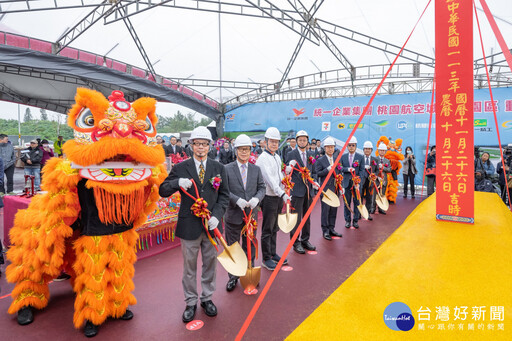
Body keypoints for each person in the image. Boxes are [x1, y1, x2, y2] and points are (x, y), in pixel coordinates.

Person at [159, 126, 229, 323]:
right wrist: (177, 183)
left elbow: (224, 195)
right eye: (197, 144)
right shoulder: (181, 168)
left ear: (209, 146)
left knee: (210, 264)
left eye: (204, 144)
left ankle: (207, 298)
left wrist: (217, 215)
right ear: (191, 146)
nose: (200, 148)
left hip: (211, 226)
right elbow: (162, 190)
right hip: (189, 225)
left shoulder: (218, 168)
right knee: (189, 267)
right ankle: (190, 301)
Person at [224, 134, 266, 292]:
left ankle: (249, 272)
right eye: (241, 149)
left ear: (250, 151)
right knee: (233, 247)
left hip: (251, 217)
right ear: (236, 151)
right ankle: (233, 277)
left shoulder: (256, 169)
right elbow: (224, 190)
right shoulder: (227, 169)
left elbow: (261, 187)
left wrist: (257, 198)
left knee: (251, 246)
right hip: (234, 215)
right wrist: (236, 200)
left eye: (247, 149)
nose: (244, 152)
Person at [255, 127, 290, 271]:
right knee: (267, 228)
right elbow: (270, 180)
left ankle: (273, 253)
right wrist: (282, 193)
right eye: (272, 141)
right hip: (269, 197)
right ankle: (266, 258)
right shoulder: (262, 159)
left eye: (276, 142)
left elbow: (278, 176)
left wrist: (286, 184)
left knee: (275, 227)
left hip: (278, 196)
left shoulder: (276, 156)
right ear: (266, 141)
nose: (274, 144)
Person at [286, 130, 320, 253]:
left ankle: (305, 239)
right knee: (296, 218)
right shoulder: (291, 154)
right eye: (300, 140)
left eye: (304, 140)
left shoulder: (311, 154)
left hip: (308, 192)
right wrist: (288, 168)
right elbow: (286, 171)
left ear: (307, 141)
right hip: (297, 191)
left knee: (307, 217)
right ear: (296, 141)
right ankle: (295, 242)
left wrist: (315, 181)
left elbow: (314, 171)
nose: (302, 142)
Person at [314, 137, 343, 240]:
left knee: (334, 209)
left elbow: (339, 173)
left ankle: (332, 228)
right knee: (325, 211)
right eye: (328, 147)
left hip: (335, 188)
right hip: (326, 190)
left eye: (332, 147)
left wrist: (341, 186)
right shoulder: (320, 160)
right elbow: (318, 173)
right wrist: (327, 170)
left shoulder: (336, 160)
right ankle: (325, 230)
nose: (330, 149)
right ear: (324, 148)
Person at [340, 136, 364, 228]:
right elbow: (340, 168)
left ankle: (355, 220)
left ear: (356, 146)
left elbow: (362, 170)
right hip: (346, 183)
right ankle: (347, 220)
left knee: (357, 202)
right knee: (347, 202)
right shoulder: (343, 157)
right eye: (349, 145)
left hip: (356, 184)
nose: (351, 147)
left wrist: (358, 180)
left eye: (353, 145)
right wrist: (347, 169)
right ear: (347, 146)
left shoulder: (360, 157)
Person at [360, 141, 378, 221]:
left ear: (371, 150)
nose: (367, 150)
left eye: (369, 149)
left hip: (370, 182)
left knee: (369, 198)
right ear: (363, 149)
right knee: (359, 197)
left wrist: (374, 175)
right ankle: (359, 214)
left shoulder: (375, 160)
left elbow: (377, 170)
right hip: (361, 181)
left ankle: (367, 214)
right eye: (366, 149)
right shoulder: (360, 159)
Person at [373, 143, 392, 215]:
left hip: (383, 180)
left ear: (385, 151)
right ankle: (373, 208)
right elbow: (373, 169)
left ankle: (381, 208)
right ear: (378, 151)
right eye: (380, 150)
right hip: (377, 179)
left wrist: (383, 167)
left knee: (382, 194)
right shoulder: (375, 159)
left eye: (383, 151)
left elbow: (390, 169)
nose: (382, 152)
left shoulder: (387, 161)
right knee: (375, 194)